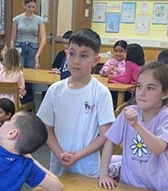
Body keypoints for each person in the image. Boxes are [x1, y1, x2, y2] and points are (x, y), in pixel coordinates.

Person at [37, 29, 115, 177]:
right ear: (66, 53)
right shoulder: (55, 90)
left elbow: (105, 135)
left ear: (96, 60)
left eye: (84, 56)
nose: (76, 61)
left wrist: (77, 156)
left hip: (88, 170)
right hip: (59, 168)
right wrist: (60, 153)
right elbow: (46, 129)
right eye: (72, 54)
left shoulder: (101, 93)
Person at [99, 62, 168, 191]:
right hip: (128, 187)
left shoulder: (167, 117)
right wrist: (104, 174)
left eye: (150, 88)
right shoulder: (128, 112)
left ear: (165, 93)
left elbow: (158, 148)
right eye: (139, 86)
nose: (141, 93)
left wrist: (136, 125)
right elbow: (110, 141)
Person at [10, 0, 47, 70]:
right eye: (29, 7)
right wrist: (11, 53)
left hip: (33, 47)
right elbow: (12, 39)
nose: (31, 9)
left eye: (33, 7)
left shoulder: (39, 20)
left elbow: (44, 39)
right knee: (19, 69)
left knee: (32, 71)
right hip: (20, 46)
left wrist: (37, 55)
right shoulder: (17, 19)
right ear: (24, 6)